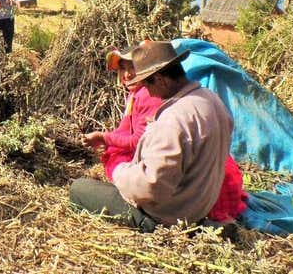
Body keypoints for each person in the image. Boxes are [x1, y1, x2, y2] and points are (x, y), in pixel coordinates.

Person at [69, 40, 234, 232]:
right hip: (198, 203)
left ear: (161, 79)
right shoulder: (211, 99)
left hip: (168, 215)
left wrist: (120, 172)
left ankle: (186, 230)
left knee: (79, 189)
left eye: (147, 83)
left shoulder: (174, 119)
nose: (147, 91)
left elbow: (151, 187)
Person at [81, 45, 163, 181]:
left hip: (149, 160)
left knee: (117, 162)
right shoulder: (134, 94)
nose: (127, 74)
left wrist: (104, 137)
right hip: (139, 151)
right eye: (123, 68)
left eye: (133, 67)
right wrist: (106, 140)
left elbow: (138, 141)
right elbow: (125, 129)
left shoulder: (148, 95)